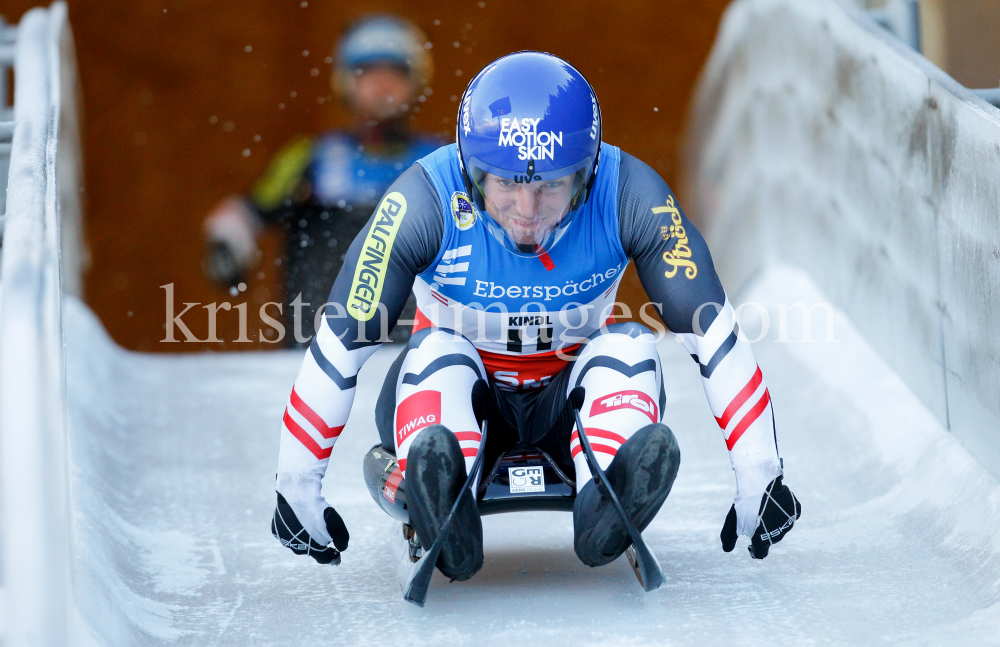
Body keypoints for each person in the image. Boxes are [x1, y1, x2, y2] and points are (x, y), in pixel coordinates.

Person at [270, 52, 801, 579]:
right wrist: (296, 483)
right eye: (504, 183)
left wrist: (760, 472)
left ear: (587, 172)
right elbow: (342, 341)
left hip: (567, 408)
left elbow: (712, 332)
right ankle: (445, 496)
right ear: (468, 170)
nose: (526, 211)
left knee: (630, 344)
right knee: (437, 351)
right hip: (456, 398)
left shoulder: (631, 193)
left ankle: (606, 501)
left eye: (549, 184)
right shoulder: (422, 199)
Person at [203, 15, 440, 346]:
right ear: (345, 81)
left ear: (416, 81)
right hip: (317, 347)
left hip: (420, 351)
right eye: (368, 73)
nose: (382, 86)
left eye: (394, 73)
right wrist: (228, 244)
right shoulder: (311, 156)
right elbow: (249, 211)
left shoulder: (443, 159)